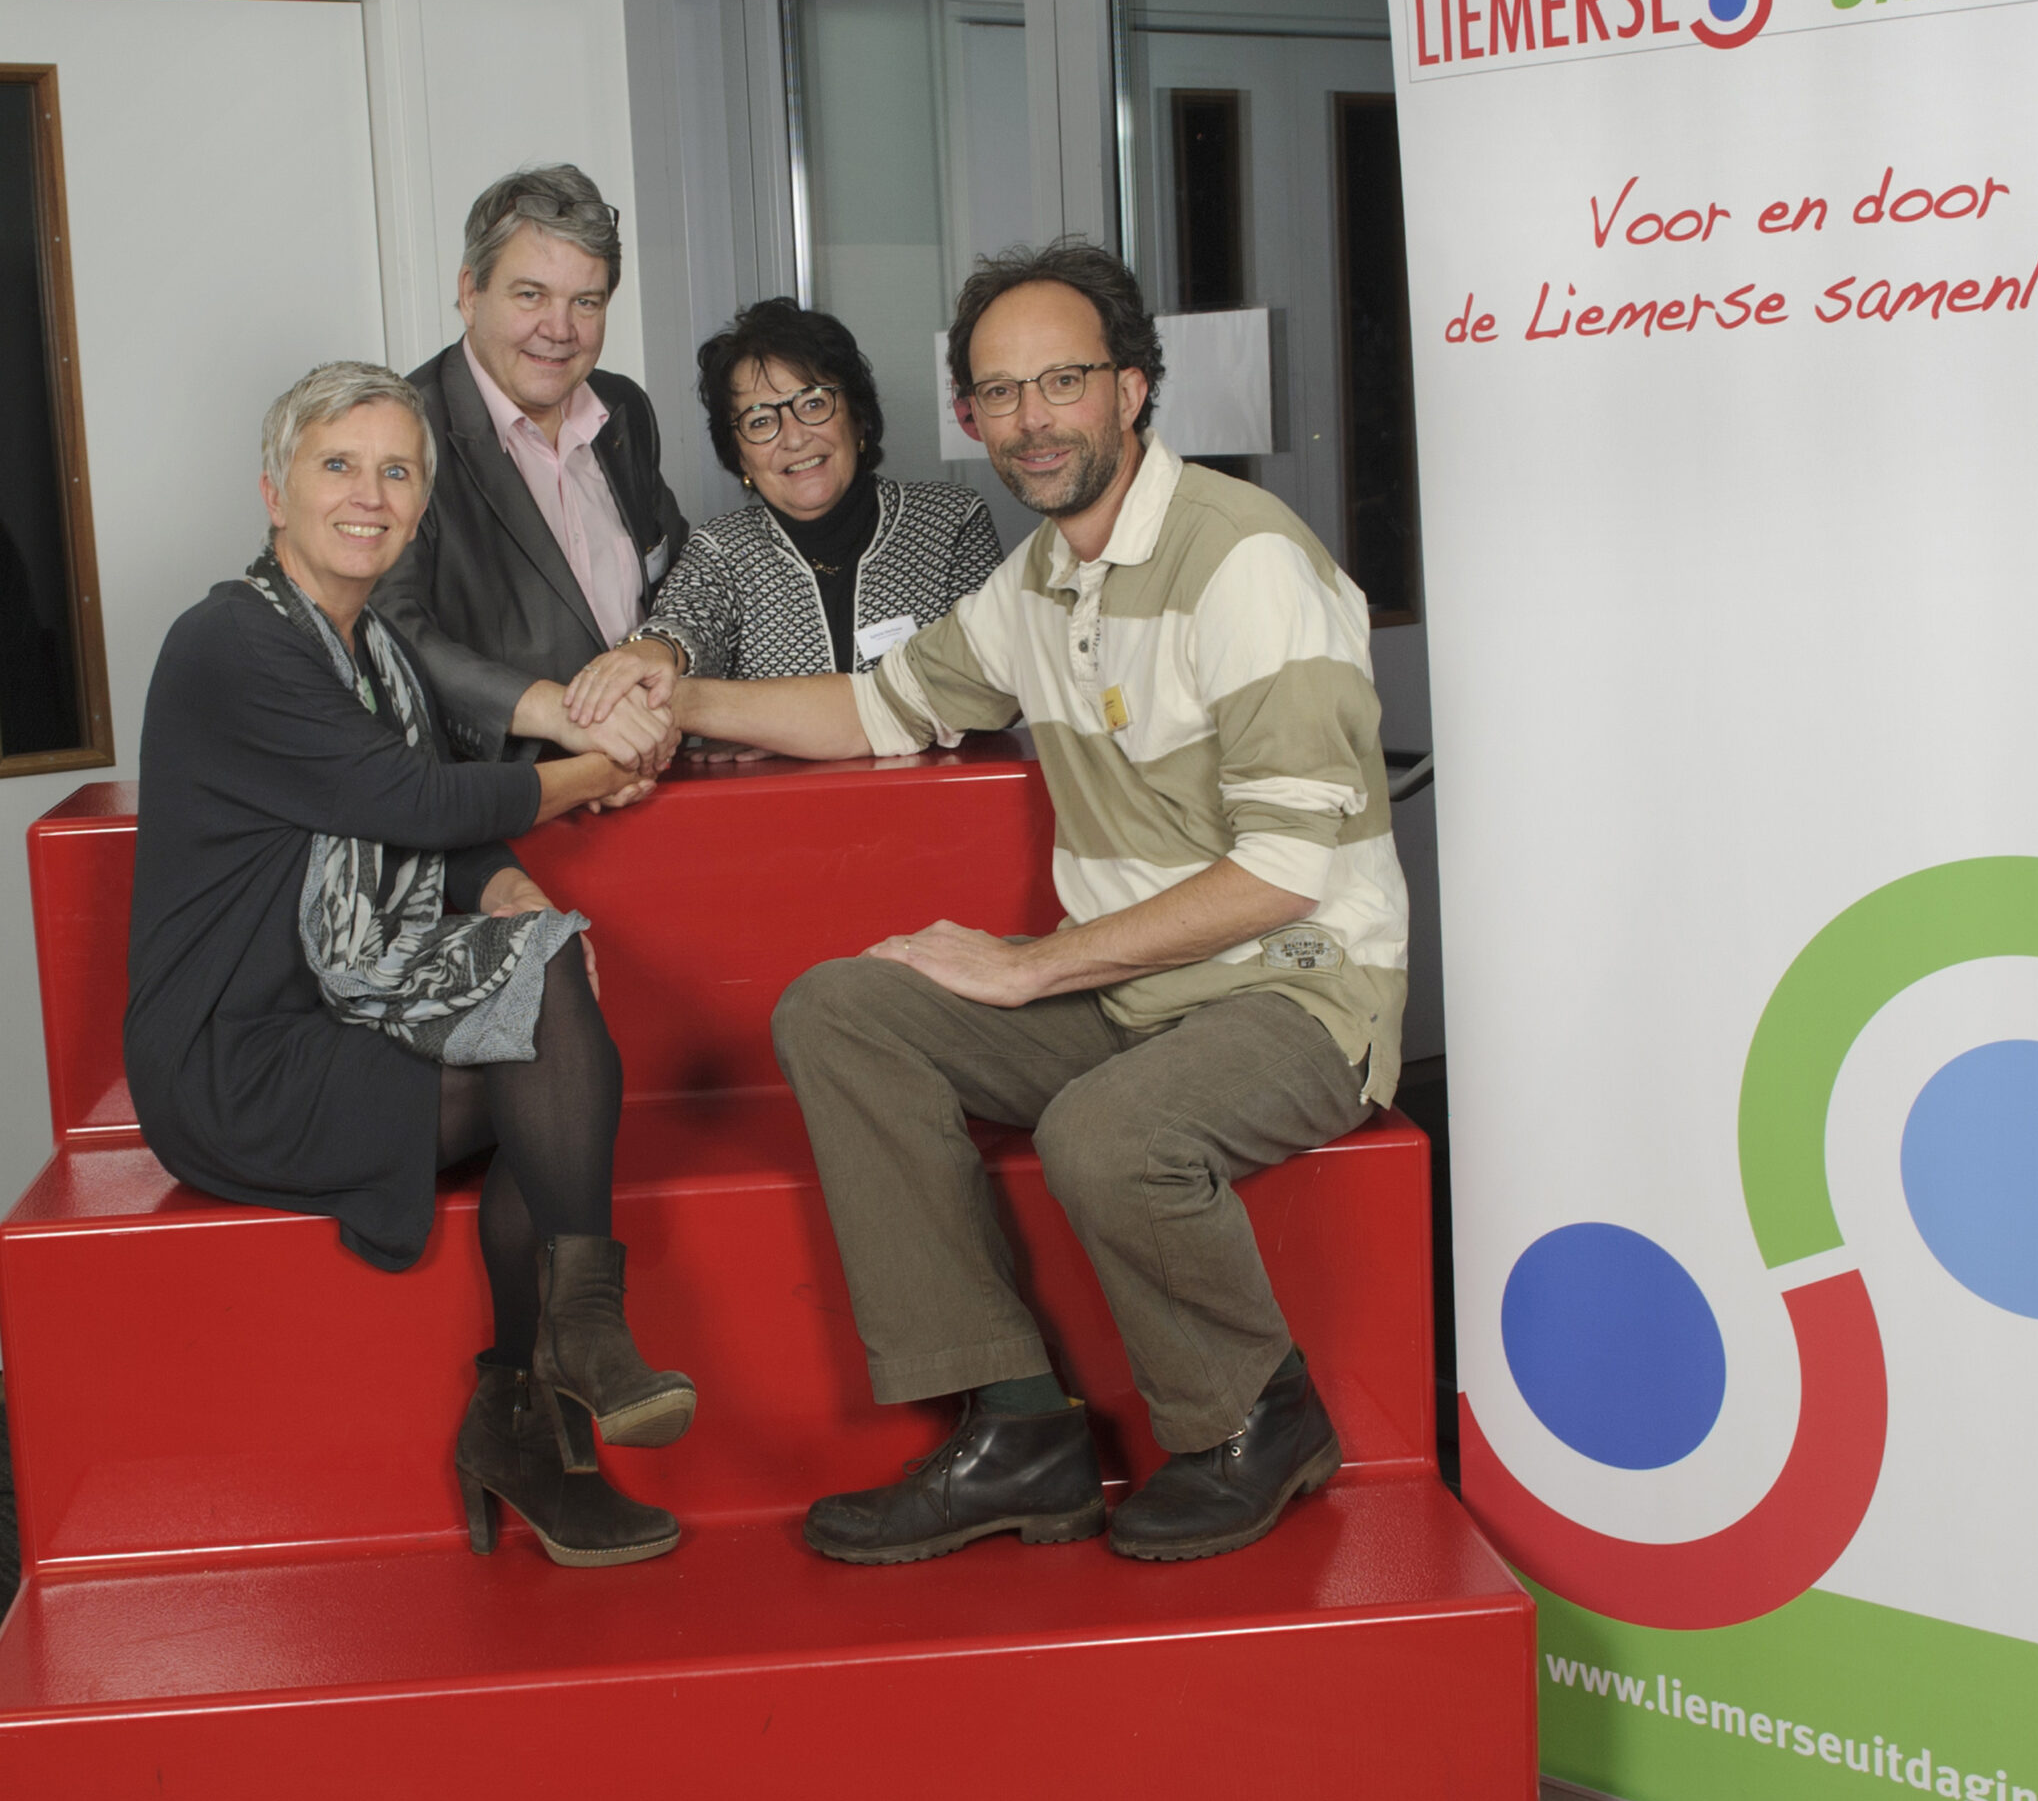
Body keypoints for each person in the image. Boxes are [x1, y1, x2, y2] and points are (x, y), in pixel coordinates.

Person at [567, 242, 1409, 1564]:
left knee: (1102, 1135)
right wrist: (674, 695)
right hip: (1133, 988)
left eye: (1062, 381)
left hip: (1294, 988)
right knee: (842, 1012)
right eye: (1000, 394)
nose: (1031, 420)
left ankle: (1260, 1415)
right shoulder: (1038, 583)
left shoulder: (1244, 561)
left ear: (1132, 388)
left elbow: (1283, 871)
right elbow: (877, 707)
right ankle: (1017, 1425)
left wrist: (1032, 966)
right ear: (969, 414)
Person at [125, 362, 696, 1570]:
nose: (370, 496)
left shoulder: (374, 647)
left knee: (549, 1002)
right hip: (236, 1058)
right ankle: (548, 1384)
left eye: (397, 471)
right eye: (338, 465)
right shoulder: (231, 641)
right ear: (273, 491)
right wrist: (607, 763)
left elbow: (440, 820)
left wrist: (513, 890)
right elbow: (408, 800)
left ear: (420, 503)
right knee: (549, 1038)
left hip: (339, 1018)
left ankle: (545, 1377)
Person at [370, 165, 682, 791]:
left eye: (585, 302)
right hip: (503, 807)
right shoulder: (400, 431)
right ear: (470, 292)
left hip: (651, 781)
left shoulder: (624, 408)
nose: (560, 331)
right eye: (531, 295)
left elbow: (675, 576)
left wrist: (670, 683)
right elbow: (388, 632)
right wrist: (565, 719)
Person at [612, 297, 1001, 688]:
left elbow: (985, 679)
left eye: (813, 403)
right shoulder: (721, 550)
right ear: (740, 456)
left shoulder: (950, 522)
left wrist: (761, 716)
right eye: (760, 421)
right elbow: (685, 621)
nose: (795, 438)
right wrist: (653, 651)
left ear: (857, 416)